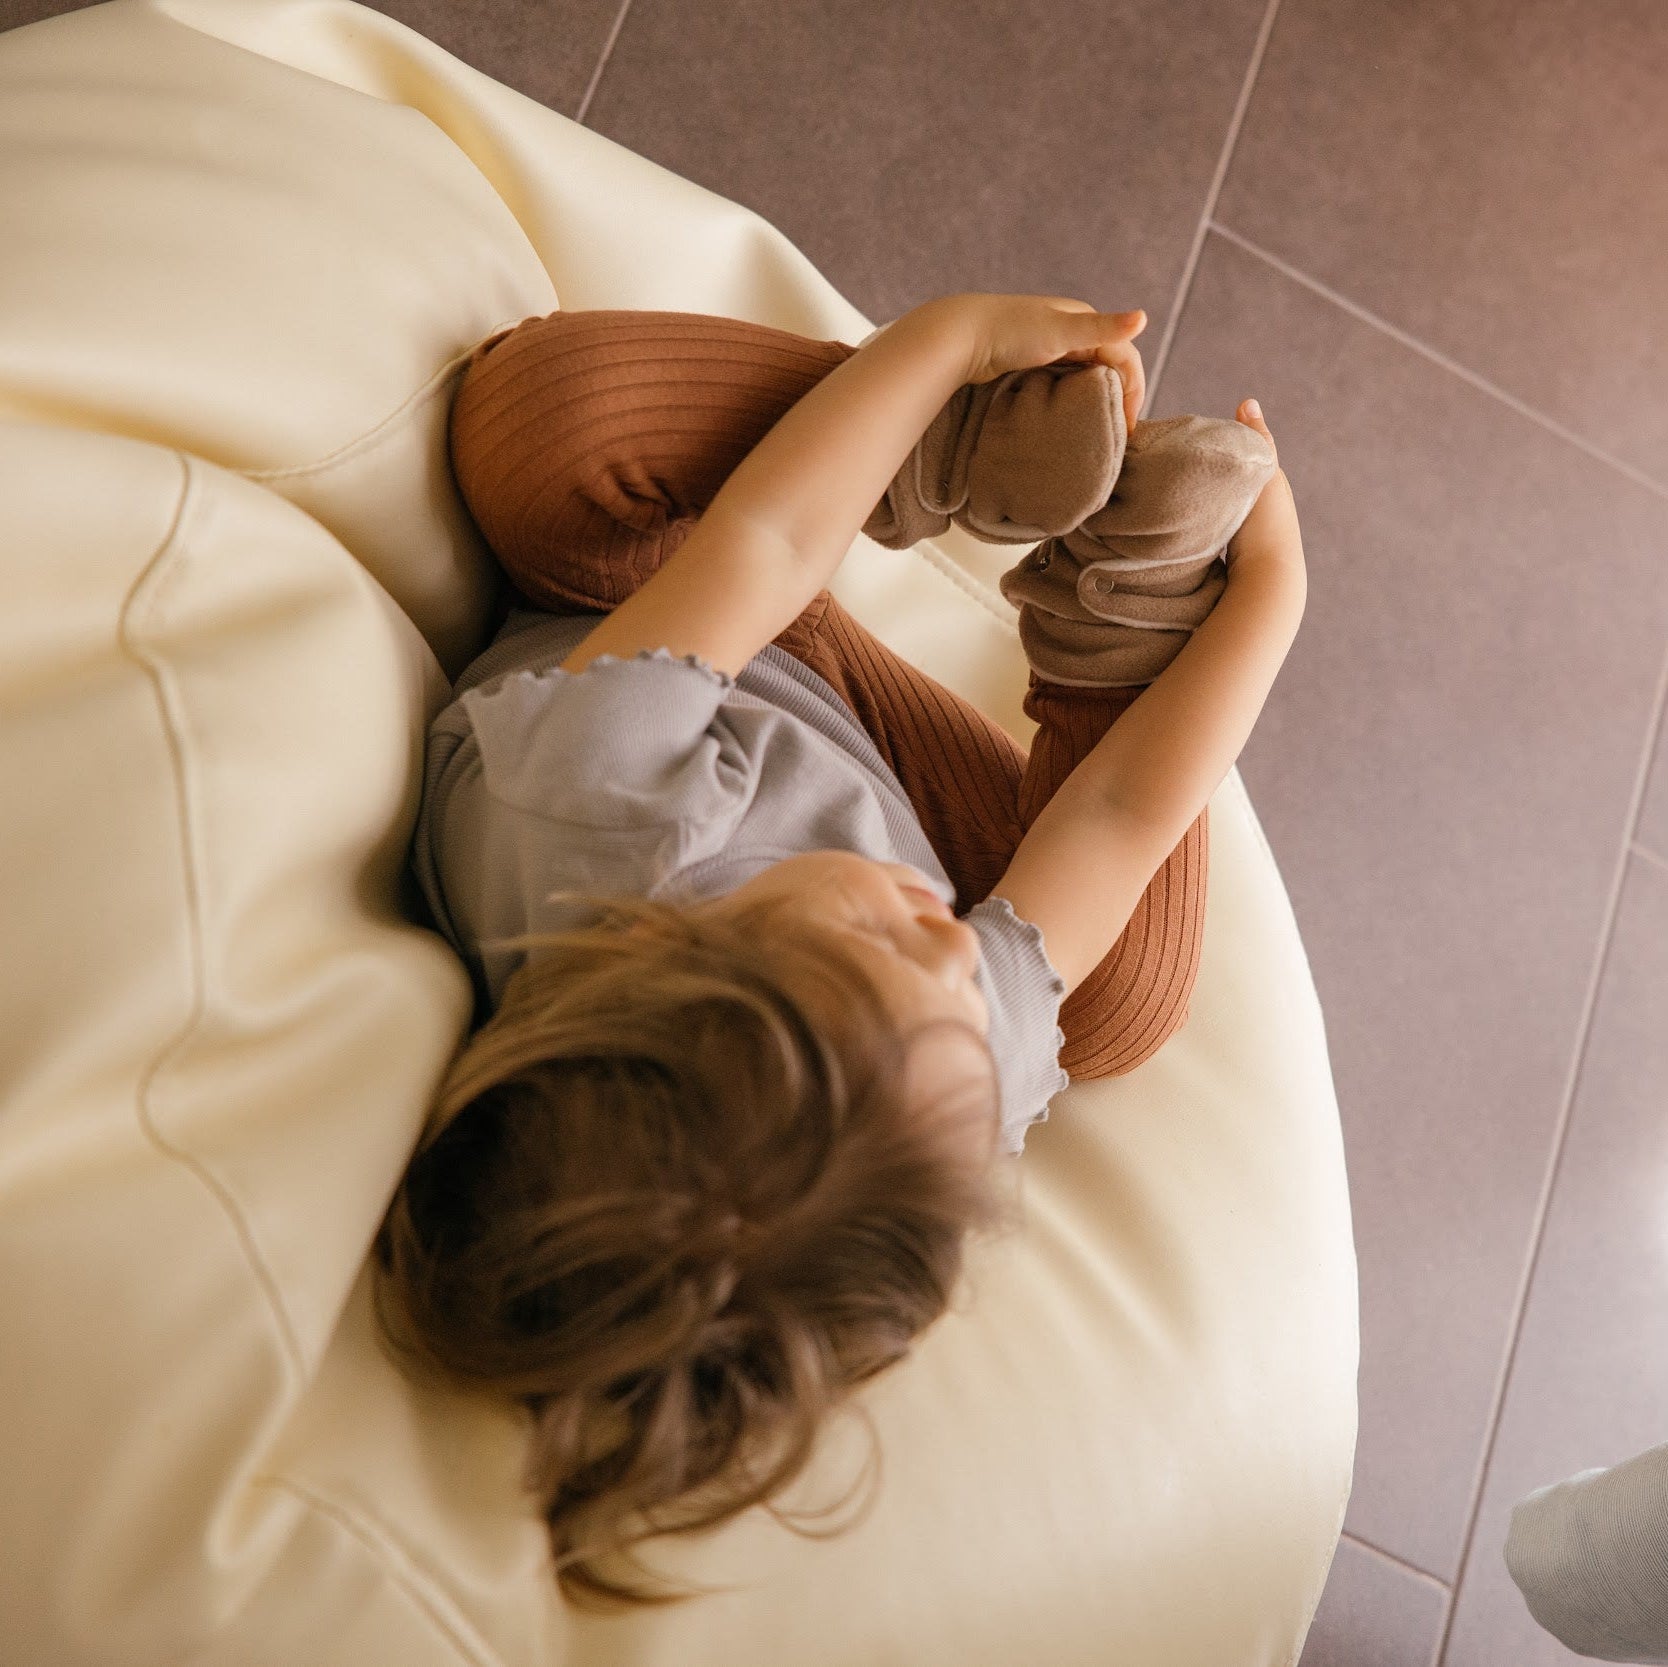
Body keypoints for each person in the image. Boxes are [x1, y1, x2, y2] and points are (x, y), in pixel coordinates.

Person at [371, 293, 1307, 1610]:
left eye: (881, 932)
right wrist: (1266, 598)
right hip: (848, 726)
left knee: (542, 423)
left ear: (668, 939)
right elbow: (1118, 817)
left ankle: (954, 453)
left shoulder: (596, 811)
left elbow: (768, 535)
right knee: (1119, 1012)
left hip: (641, 601)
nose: (943, 933)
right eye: (952, 979)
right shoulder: (928, 1079)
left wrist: (951, 349)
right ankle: (1120, 607)